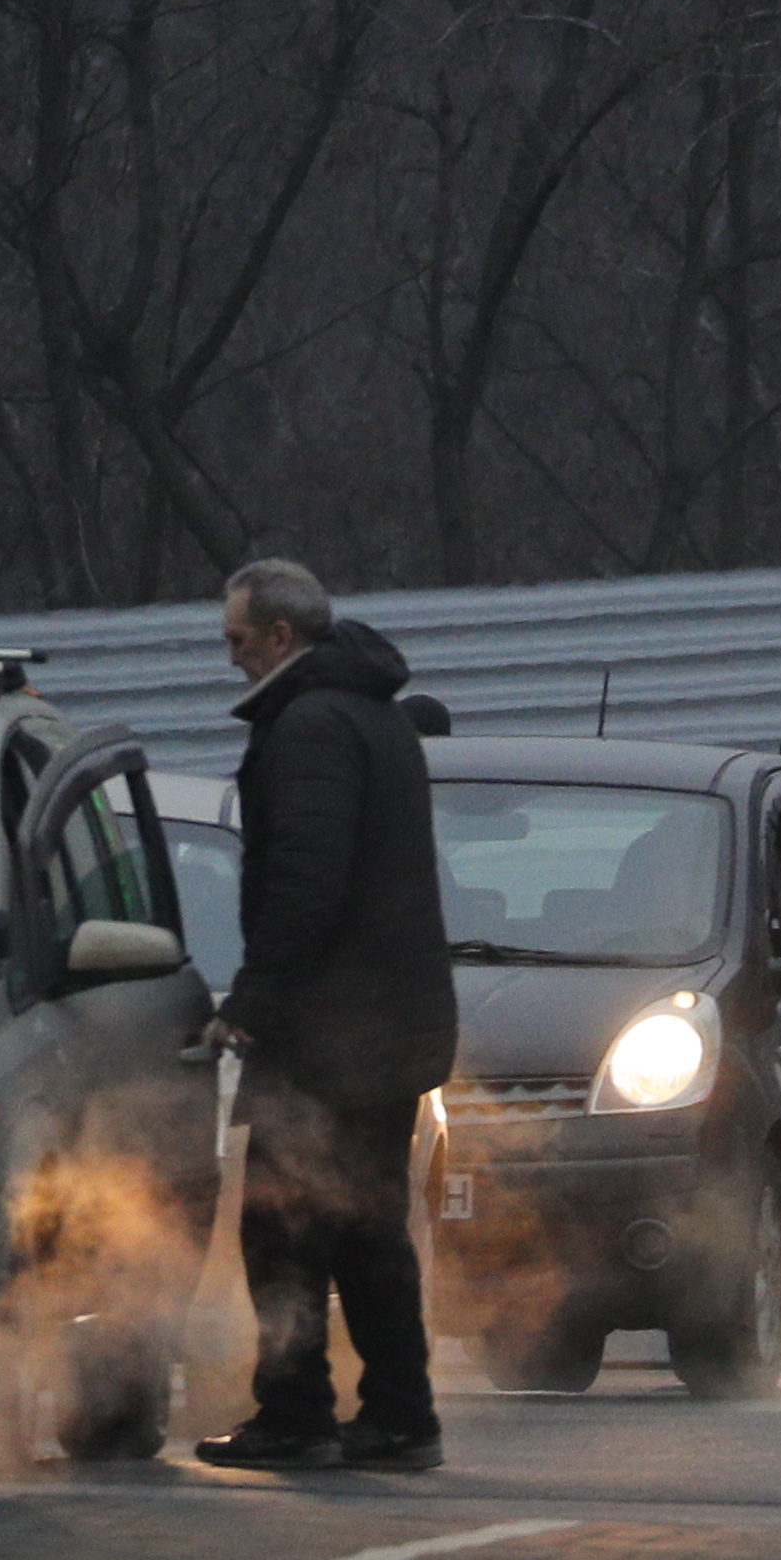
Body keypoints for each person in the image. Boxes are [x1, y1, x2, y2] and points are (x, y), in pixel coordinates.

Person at [191, 558, 457, 1472]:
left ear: (279, 638)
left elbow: (305, 885)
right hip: (382, 1029)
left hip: (334, 1037)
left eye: (236, 641)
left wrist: (251, 1005)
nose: (230, 660)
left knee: (282, 1222)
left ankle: (299, 1412)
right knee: (364, 1224)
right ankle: (397, 1413)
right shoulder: (367, 714)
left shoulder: (308, 727)